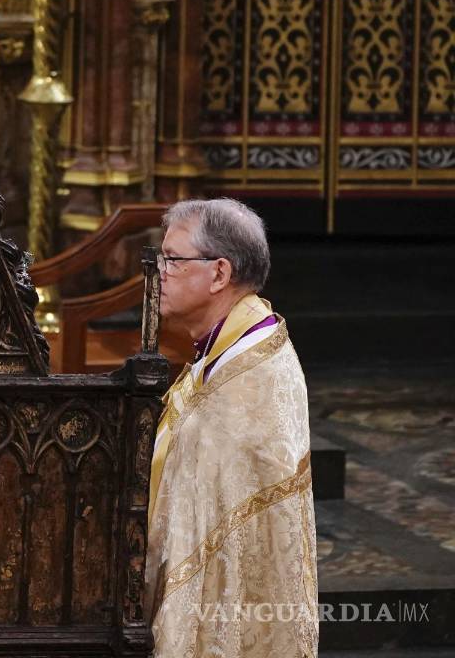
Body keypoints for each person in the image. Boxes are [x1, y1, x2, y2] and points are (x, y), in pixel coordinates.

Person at [145, 198, 317, 658]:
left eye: (174, 260)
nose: (159, 271)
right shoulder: (227, 345)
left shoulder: (250, 374)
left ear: (219, 273)